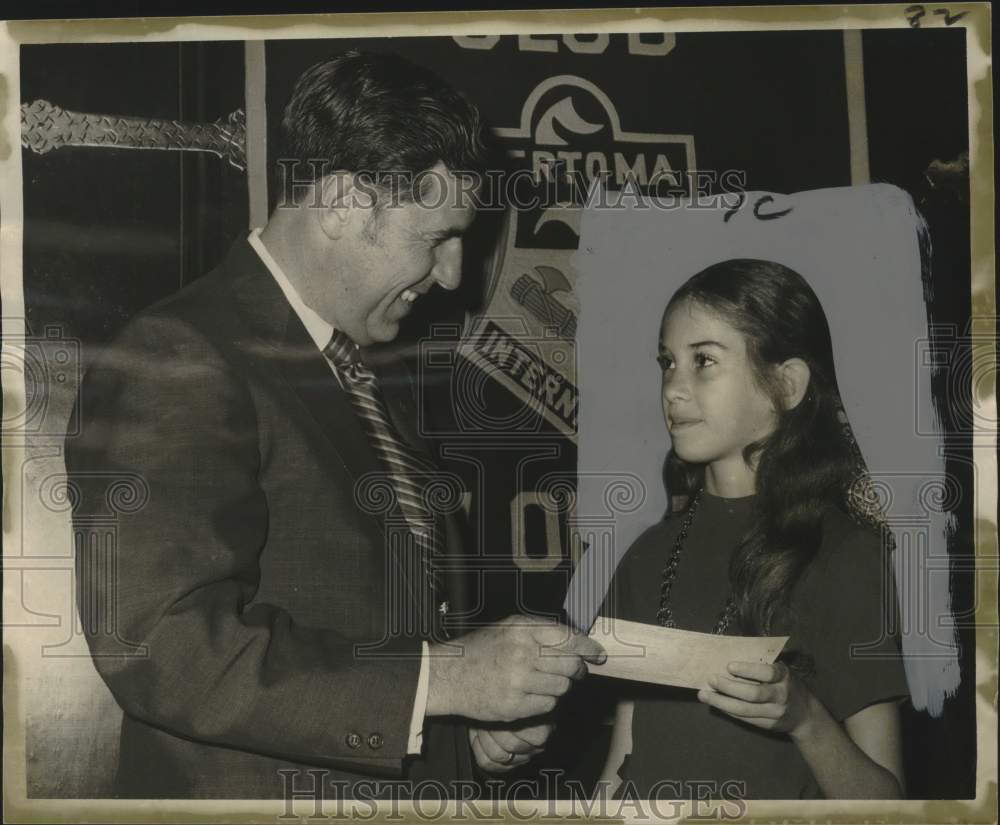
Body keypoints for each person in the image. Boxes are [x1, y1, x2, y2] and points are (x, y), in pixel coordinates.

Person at [65, 50, 604, 800]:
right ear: (346, 201)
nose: (454, 274)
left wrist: (461, 726)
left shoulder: (361, 375)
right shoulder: (179, 354)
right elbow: (161, 645)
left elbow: (383, 642)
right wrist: (443, 678)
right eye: (437, 237)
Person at [598, 258, 909, 800]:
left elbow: (888, 802)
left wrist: (806, 719)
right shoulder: (646, 555)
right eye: (667, 362)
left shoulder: (844, 555)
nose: (673, 387)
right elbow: (620, 765)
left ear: (786, 385)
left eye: (704, 362)